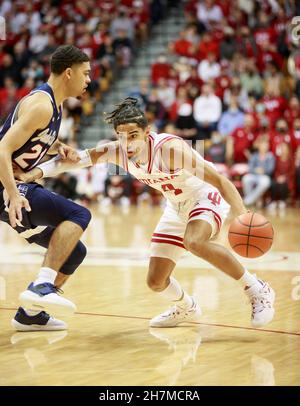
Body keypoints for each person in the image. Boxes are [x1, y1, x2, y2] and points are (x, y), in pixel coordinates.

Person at [19, 98, 275, 328]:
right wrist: (35, 173)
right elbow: (74, 159)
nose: (127, 142)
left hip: (204, 196)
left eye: (133, 136)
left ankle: (256, 289)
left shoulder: (170, 150)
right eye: (121, 136)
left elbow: (220, 180)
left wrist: (242, 215)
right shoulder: (117, 152)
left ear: (146, 133)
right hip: (176, 206)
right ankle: (186, 306)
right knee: (155, 281)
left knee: (194, 241)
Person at [0, 45, 92, 331]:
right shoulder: (42, 104)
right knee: (79, 215)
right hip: (5, 187)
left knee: (74, 252)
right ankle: (42, 286)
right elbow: (2, 147)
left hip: (9, 186)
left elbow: (35, 138)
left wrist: (59, 146)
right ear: (68, 73)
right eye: (85, 73)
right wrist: (13, 194)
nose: (88, 80)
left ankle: (30, 314)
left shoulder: (56, 104)